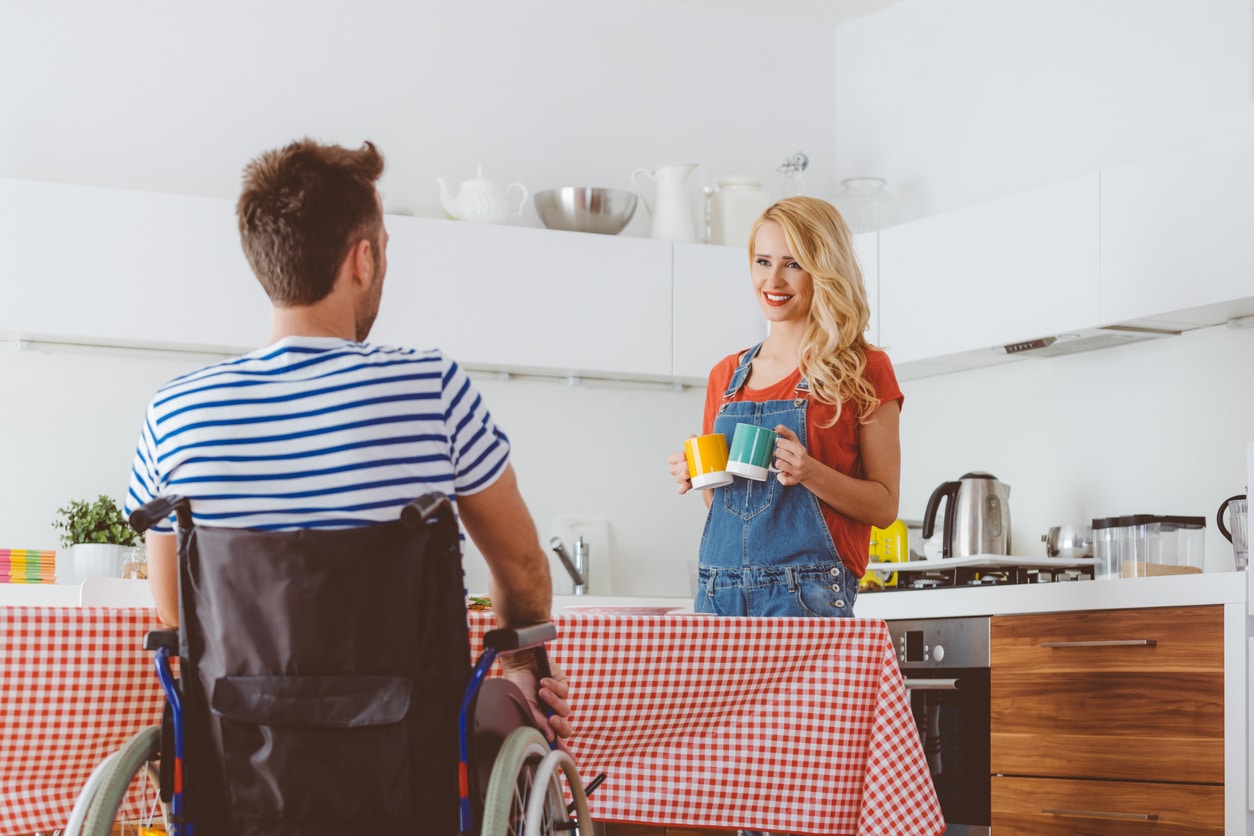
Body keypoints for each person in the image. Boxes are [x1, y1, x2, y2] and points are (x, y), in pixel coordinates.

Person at [124, 138, 570, 741]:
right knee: (506, 704)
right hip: (408, 767)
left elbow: (178, 613)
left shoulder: (173, 409)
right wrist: (518, 663)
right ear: (361, 260)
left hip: (244, 768)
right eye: (383, 250)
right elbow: (522, 570)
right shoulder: (432, 387)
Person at [667, 195, 903, 619]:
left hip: (806, 597)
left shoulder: (864, 369)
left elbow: (884, 507)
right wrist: (702, 477)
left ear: (824, 270)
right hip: (719, 594)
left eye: (793, 264)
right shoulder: (727, 375)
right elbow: (726, 508)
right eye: (762, 262)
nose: (772, 280)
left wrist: (810, 472)